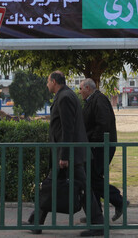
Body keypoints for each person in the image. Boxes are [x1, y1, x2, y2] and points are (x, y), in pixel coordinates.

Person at [25, 72, 104, 236]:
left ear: (54, 82)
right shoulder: (66, 95)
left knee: (81, 189)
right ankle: (36, 221)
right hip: (67, 153)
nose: (47, 84)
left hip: (69, 155)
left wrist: (64, 156)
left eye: (48, 81)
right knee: (51, 185)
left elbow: (68, 129)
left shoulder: (65, 97)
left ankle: (98, 225)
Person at [79, 78, 128, 222]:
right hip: (97, 146)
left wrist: (93, 142)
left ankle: (118, 201)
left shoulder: (99, 100)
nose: (80, 92)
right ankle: (96, 215)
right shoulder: (93, 100)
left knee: (92, 178)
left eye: (81, 89)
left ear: (87, 88)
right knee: (91, 178)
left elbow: (103, 124)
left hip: (100, 147)